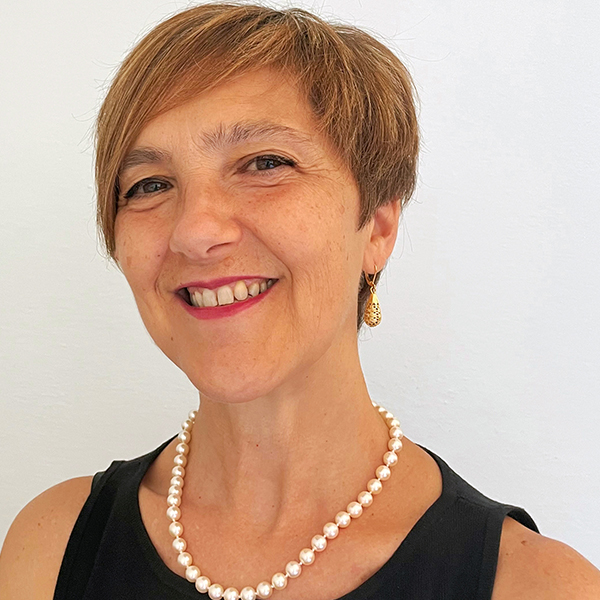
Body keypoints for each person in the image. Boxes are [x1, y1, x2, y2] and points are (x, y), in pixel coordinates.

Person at [1, 3, 599, 599]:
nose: (194, 230)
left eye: (265, 163)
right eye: (150, 185)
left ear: (379, 225)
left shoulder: (539, 586)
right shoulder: (51, 549)